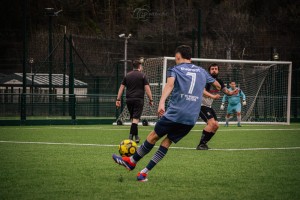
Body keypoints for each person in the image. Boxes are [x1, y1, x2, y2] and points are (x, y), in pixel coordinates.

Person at [112, 45, 221, 182]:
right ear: (190, 58)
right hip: (191, 118)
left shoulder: (174, 69)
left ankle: (132, 161)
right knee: (167, 142)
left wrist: (161, 102)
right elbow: (217, 86)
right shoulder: (202, 71)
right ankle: (144, 173)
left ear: (178, 57)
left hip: (176, 113)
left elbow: (169, 85)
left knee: (153, 137)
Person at [197, 63, 239, 150]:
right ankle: (200, 145)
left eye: (216, 68)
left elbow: (226, 91)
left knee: (216, 126)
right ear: (209, 71)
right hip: (200, 105)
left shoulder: (219, 82)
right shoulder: (206, 79)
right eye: (212, 69)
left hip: (208, 106)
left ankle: (204, 143)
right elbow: (202, 91)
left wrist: (232, 93)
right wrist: (213, 96)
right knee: (211, 123)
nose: (214, 70)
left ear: (218, 70)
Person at [116, 60, 153, 143]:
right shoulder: (142, 76)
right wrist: (151, 99)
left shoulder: (127, 75)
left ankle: (136, 137)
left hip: (129, 100)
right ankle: (130, 137)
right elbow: (147, 89)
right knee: (136, 119)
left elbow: (121, 88)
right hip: (138, 100)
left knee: (134, 119)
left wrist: (118, 99)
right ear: (139, 66)